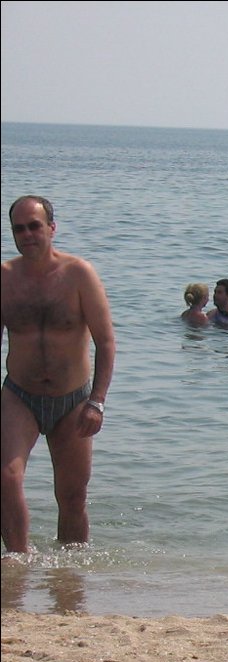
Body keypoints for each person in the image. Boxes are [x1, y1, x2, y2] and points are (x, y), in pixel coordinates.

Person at [1, 195, 116, 554]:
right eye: (19, 229)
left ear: (52, 228)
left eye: (34, 226)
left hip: (73, 400)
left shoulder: (79, 274)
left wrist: (97, 402)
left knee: (72, 496)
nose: (27, 234)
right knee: (6, 477)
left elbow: (106, 342)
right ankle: (18, 562)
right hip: (19, 395)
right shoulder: (4, 278)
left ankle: (70, 573)